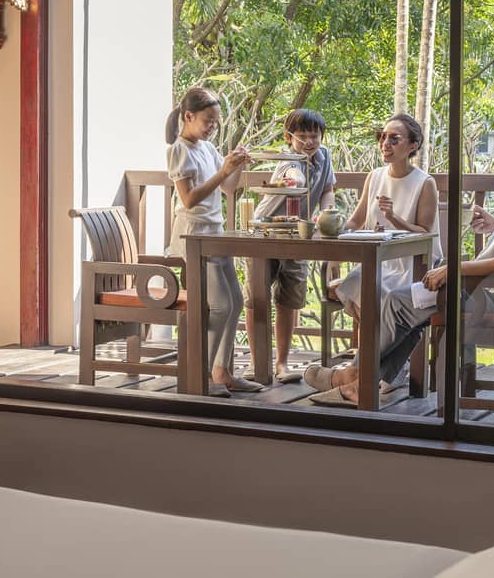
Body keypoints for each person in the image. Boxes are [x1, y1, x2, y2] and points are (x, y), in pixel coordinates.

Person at [306, 93, 494, 402]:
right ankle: (360, 382)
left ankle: (354, 377)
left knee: (400, 302)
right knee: (410, 305)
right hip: (490, 290)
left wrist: (452, 269)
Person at [303, 112, 440, 395]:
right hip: (379, 261)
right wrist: (332, 230)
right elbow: (356, 220)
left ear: (412, 146)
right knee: (354, 283)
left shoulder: (424, 183)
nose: (385, 143)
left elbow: (426, 233)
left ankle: (357, 375)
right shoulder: (375, 176)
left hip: (413, 265)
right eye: (382, 137)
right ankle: (386, 371)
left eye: (394, 138)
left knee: (385, 295)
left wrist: (395, 217)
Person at [166, 87, 261, 397]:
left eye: (216, 122)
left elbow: (228, 189)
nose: (212, 127)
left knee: (234, 303)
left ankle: (222, 371)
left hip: (214, 234)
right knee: (219, 306)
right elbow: (190, 199)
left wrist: (235, 167)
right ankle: (201, 376)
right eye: (208, 121)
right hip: (193, 236)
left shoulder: (206, 148)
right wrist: (223, 172)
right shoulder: (179, 150)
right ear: (188, 117)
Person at [251, 109, 337, 383]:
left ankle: (282, 363)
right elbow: (294, 178)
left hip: (298, 236)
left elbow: (327, 191)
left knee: (289, 300)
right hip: (267, 232)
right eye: (302, 137)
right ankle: (257, 363)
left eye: (315, 136)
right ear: (289, 138)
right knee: (257, 299)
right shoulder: (289, 160)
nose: (309, 143)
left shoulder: (324, 158)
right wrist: (294, 181)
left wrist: (327, 218)